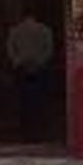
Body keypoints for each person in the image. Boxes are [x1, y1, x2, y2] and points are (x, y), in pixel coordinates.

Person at [5, 11, 54, 143]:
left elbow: (10, 50)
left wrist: (17, 62)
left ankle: (26, 134)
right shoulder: (45, 30)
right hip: (39, 68)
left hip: (22, 68)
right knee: (39, 101)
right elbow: (49, 49)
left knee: (23, 102)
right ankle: (39, 133)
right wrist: (41, 62)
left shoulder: (15, 31)